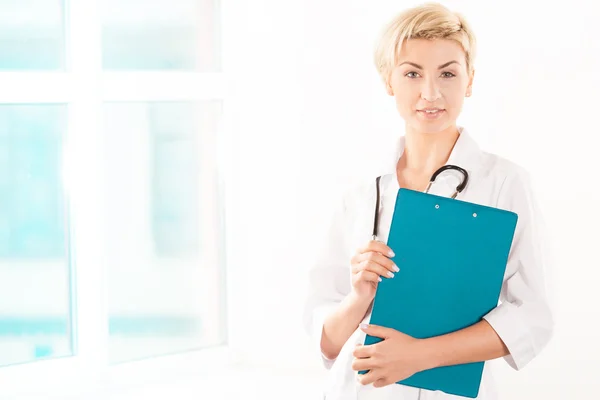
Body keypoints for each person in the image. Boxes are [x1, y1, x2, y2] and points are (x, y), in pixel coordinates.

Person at [302, 3, 554, 400]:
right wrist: (360, 296)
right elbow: (327, 344)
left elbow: (533, 317)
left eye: (448, 73)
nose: (430, 93)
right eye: (412, 73)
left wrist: (420, 356)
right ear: (389, 81)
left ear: (470, 80)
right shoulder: (360, 191)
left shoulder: (506, 184)